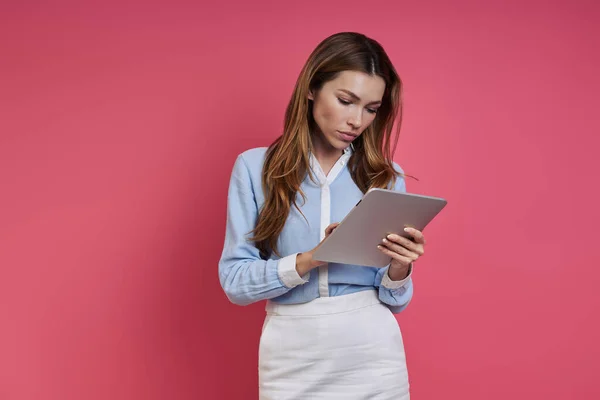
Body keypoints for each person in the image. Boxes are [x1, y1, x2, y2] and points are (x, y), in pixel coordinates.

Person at [218, 32, 427, 400]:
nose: (356, 120)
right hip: (291, 352)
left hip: (373, 352)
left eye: (371, 109)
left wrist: (399, 267)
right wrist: (313, 258)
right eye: (346, 100)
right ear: (312, 88)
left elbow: (396, 300)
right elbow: (235, 282)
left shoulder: (387, 176)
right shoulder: (254, 168)